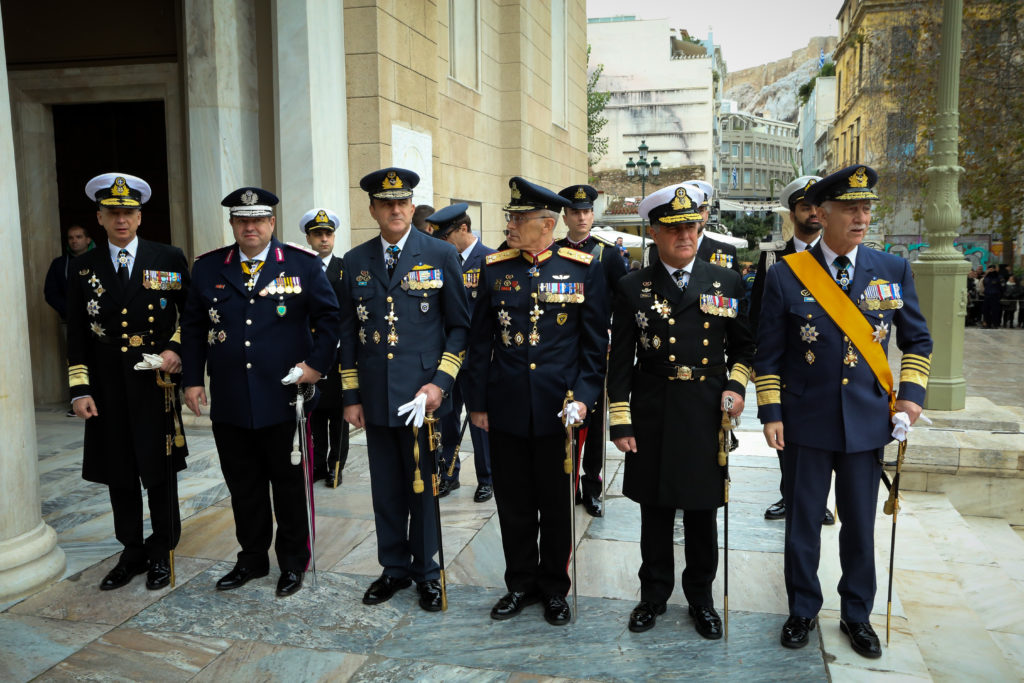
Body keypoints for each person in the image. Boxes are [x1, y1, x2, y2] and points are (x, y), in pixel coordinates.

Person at [754, 165, 932, 659]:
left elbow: (918, 340)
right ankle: (803, 609)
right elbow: (767, 353)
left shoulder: (890, 268)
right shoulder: (788, 274)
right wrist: (771, 412)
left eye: (867, 208)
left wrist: (911, 397)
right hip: (805, 422)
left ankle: (857, 614)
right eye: (851, 208)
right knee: (803, 522)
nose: (862, 217)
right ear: (822, 212)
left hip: (867, 422)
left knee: (860, 525)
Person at [607, 182, 753, 638]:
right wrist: (620, 418)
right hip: (653, 412)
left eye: (691, 225)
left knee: (701, 512)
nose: (685, 235)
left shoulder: (725, 281)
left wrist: (736, 387)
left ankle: (702, 599)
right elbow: (620, 360)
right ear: (654, 231)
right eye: (673, 228)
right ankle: (652, 596)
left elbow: (745, 348)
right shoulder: (634, 286)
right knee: (654, 509)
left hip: (705, 413)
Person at [181, 187, 340, 598]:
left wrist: (316, 367)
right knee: (244, 486)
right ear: (232, 224)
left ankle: (292, 562)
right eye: (241, 220)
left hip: (286, 400)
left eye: (258, 220)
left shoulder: (301, 265)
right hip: (232, 401)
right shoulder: (209, 267)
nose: (250, 227)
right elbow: (195, 327)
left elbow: (329, 319)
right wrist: (193, 380)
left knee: (288, 488)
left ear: (271, 223)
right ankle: (251, 558)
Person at [465, 177, 607, 626]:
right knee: (514, 503)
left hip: (558, 410)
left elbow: (593, 348)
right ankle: (520, 584)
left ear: (547, 225)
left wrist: (584, 400)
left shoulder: (583, 268)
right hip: (506, 406)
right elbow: (479, 341)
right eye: (510, 216)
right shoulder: (494, 268)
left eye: (519, 218)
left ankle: (554, 588)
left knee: (556, 504)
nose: (510, 224)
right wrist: (478, 403)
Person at [335, 167, 470, 612]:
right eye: (386, 203)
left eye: (403, 202)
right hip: (375, 398)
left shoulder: (440, 254)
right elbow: (349, 332)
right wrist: (351, 396)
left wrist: (441, 384)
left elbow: (458, 328)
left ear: (413, 207)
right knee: (386, 489)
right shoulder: (355, 261)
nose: (395, 209)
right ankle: (393, 568)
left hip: (424, 400)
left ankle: (427, 572)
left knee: (425, 488)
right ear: (373, 209)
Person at [67, 173, 189, 591]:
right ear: (100, 218)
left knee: (159, 471)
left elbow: (188, 315)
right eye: (113, 213)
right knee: (119, 472)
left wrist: (176, 349)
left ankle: (162, 549)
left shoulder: (168, 257)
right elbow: (77, 332)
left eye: (129, 212)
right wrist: (79, 387)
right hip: (106, 387)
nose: (122, 219)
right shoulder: (83, 267)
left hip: (155, 383)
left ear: (139, 217)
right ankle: (131, 551)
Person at [749, 176, 834, 526]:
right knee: (786, 434)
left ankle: (819, 500)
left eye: (817, 206)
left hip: (825, 362)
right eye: (805, 207)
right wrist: (758, 361)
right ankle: (790, 494)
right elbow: (756, 313)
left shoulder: (836, 258)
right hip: (784, 364)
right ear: (793, 212)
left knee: (826, 433)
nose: (813, 213)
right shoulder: (773, 259)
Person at [555, 183, 628, 518]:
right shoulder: (555, 251)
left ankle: (592, 485)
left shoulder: (607, 254)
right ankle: (565, 481)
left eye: (586, 211)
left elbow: (622, 300)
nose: (582, 217)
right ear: (565, 215)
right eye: (575, 212)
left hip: (598, 348)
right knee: (563, 418)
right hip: (564, 349)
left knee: (595, 422)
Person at [428, 203, 495, 503]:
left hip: (478, 359)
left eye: (445, 236)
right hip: (447, 357)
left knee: (479, 420)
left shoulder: (490, 259)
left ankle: (487, 478)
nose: (440, 242)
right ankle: (449, 473)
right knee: (446, 418)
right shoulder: (441, 260)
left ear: (463, 229)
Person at [302, 207, 350, 488]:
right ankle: (318, 464)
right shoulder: (300, 269)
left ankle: (336, 466)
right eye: (317, 234)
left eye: (328, 234)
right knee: (314, 411)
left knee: (338, 414)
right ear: (308, 238)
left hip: (339, 354)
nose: (323, 239)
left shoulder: (345, 269)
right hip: (310, 353)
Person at [45, 224, 93, 321]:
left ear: (88, 240)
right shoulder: (59, 264)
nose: (74, 241)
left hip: (101, 318)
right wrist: (69, 310)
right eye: (70, 238)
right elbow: (51, 293)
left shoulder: (101, 260)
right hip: (71, 320)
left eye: (78, 237)